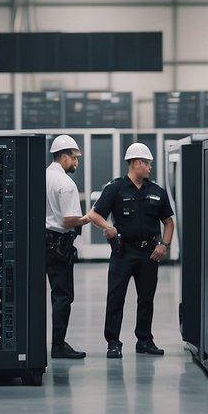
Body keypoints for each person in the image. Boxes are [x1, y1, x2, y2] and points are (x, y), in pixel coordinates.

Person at [86, 142, 175, 359]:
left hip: (149, 252)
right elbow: (94, 214)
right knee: (116, 297)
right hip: (123, 252)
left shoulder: (157, 191)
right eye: (147, 164)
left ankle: (144, 340)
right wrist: (109, 227)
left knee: (146, 298)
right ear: (137, 163)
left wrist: (164, 245)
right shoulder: (115, 189)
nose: (150, 168)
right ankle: (113, 343)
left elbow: (168, 221)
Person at [45, 135, 92, 359]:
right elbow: (68, 220)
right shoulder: (66, 183)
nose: (76, 163)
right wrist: (88, 217)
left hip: (40, 243)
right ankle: (58, 346)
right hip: (59, 246)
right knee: (62, 297)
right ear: (64, 157)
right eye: (75, 158)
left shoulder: (41, 176)